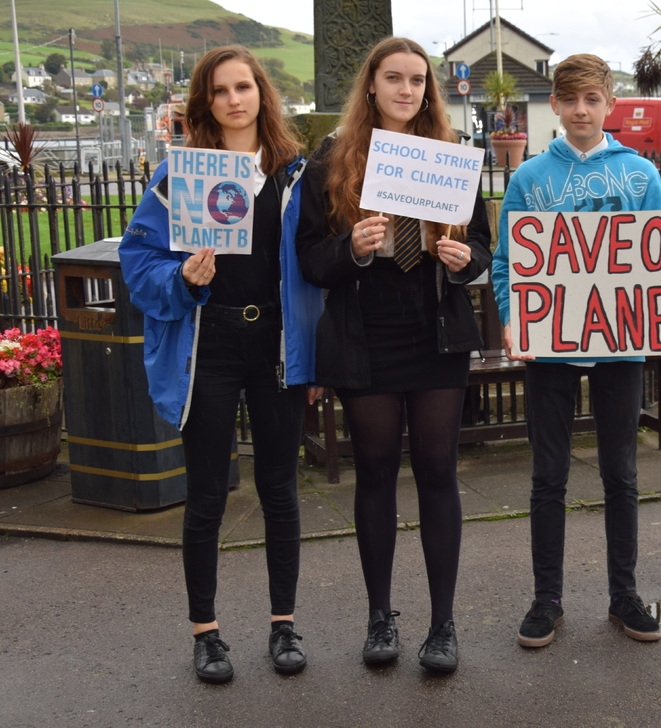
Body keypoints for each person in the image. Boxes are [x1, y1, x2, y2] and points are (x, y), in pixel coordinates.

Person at [119, 46, 324, 683]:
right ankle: (206, 634)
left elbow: (315, 273)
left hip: (275, 350)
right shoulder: (177, 179)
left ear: (262, 93)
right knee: (206, 494)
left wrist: (313, 357)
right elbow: (138, 261)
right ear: (204, 103)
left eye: (244, 86)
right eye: (219, 90)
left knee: (280, 491)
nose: (234, 99)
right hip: (207, 349)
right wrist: (180, 275)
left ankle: (283, 626)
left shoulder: (295, 176)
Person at [295, 36, 491, 673]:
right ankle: (380, 618)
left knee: (437, 471)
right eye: (394, 78)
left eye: (418, 80)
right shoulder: (332, 162)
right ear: (372, 85)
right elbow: (310, 261)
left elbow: (482, 248)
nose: (408, 90)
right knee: (375, 472)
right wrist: (351, 247)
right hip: (366, 338)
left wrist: (465, 264)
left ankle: (443, 623)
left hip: (434, 337)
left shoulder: (452, 157)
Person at [491, 54, 661, 647]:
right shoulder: (529, 178)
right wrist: (515, 318)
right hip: (551, 348)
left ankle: (625, 595)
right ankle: (547, 600)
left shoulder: (642, 174)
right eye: (569, 100)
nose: (581, 110)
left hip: (621, 347)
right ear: (557, 106)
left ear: (609, 101)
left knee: (621, 473)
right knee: (549, 476)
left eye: (592, 99)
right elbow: (507, 264)